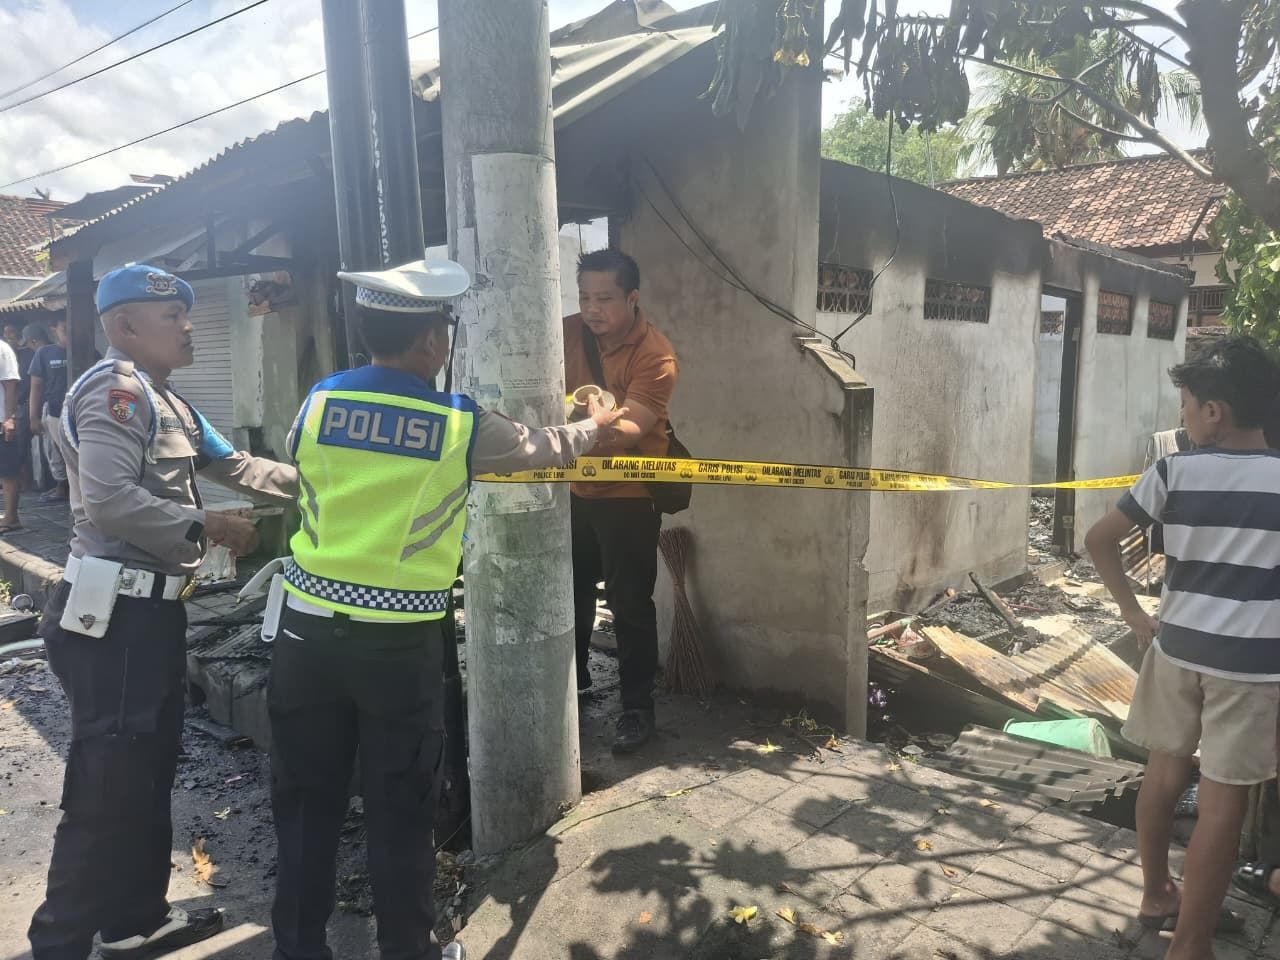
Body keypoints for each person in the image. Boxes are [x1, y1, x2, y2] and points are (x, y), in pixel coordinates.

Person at [263, 257, 626, 960]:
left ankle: (297, 950)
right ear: (432, 341)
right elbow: (545, 449)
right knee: (400, 807)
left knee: (304, 805)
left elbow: (302, 466)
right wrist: (597, 424)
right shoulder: (458, 422)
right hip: (397, 650)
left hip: (304, 638)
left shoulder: (320, 401)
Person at [27, 264, 298, 960]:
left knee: (145, 774)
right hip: (113, 620)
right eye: (171, 315)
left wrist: (335, 479)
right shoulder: (115, 392)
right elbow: (111, 499)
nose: (187, 325)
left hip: (148, 617)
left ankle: (134, 921)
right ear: (125, 326)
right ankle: (57, 943)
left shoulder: (167, 401)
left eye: (185, 312)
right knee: (105, 788)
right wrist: (209, 525)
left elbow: (239, 467)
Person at [1085, 336, 1280, 960]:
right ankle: (1191, 945)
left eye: (1187, 405)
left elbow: (1099, 539)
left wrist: (1132, 613)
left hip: (1174, 649)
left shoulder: (1174, 471)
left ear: (1214, 411)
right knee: (1222, 801)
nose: (1184, 417)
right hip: (1252, 666)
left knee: (1163, 771)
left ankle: (1156, 894)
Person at [563, 249, 678, 753]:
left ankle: (637, 710)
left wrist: (583, 429)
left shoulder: (655, 356)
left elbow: (630, 430)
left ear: (632, 298)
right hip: (572, 488)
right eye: (585, 297)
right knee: (568, 592)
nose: (592, 309)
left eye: (604, 298)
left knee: (629, 602)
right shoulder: (566, 332)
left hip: (630, 495)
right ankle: (573, 685)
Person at [30, 315, 71, 502]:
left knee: (75, 451)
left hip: (80, 411)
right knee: (55, 451)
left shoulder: (88, 351)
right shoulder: (45, 353)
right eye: (64, 328)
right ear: (54, 329)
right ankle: (61, 486)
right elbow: (36, 386)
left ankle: (75, 489)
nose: (69, 332)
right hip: (54, 411)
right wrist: (33, 417)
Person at [0, 330, 24, 532]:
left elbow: (11, 385)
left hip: (1, 419)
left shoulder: (2, 349)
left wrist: (9, 418)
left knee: (8, 470)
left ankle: (11, 517)